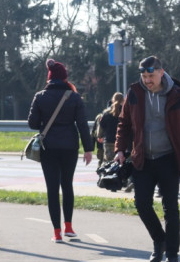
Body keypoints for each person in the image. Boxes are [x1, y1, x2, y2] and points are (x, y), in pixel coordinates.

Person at [115, 56, 180, 262]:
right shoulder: (135, 93)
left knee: (170, 209)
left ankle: (172, 256)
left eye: (150, 76)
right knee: (142, 203)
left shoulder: (177, 95)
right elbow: (124, 123)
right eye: (143, 76)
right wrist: (119, 149)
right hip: (142, 159)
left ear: (160, 72)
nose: (147, 80)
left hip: (168, 158)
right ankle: (159, 240)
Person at [27, 59, 94, 242]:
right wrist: (88, 149)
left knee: (52, 188)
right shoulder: (74, 97)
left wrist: (44, 122)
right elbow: (82, 124)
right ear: (65, 78)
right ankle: (69, 227)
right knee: (67, 185)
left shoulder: (40, 97)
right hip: (70, 147)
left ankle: (56, 233)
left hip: (48, 147)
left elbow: (32, 123)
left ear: (49, 79)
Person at [96, 93, 124, 168]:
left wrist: (99, 136)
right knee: (122, 163)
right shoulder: (125, 112)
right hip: (122, 142)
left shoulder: (106, 113)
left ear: (113, 100)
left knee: (108, 164)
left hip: (109, 141)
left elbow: (101, 126)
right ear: (123, 100)